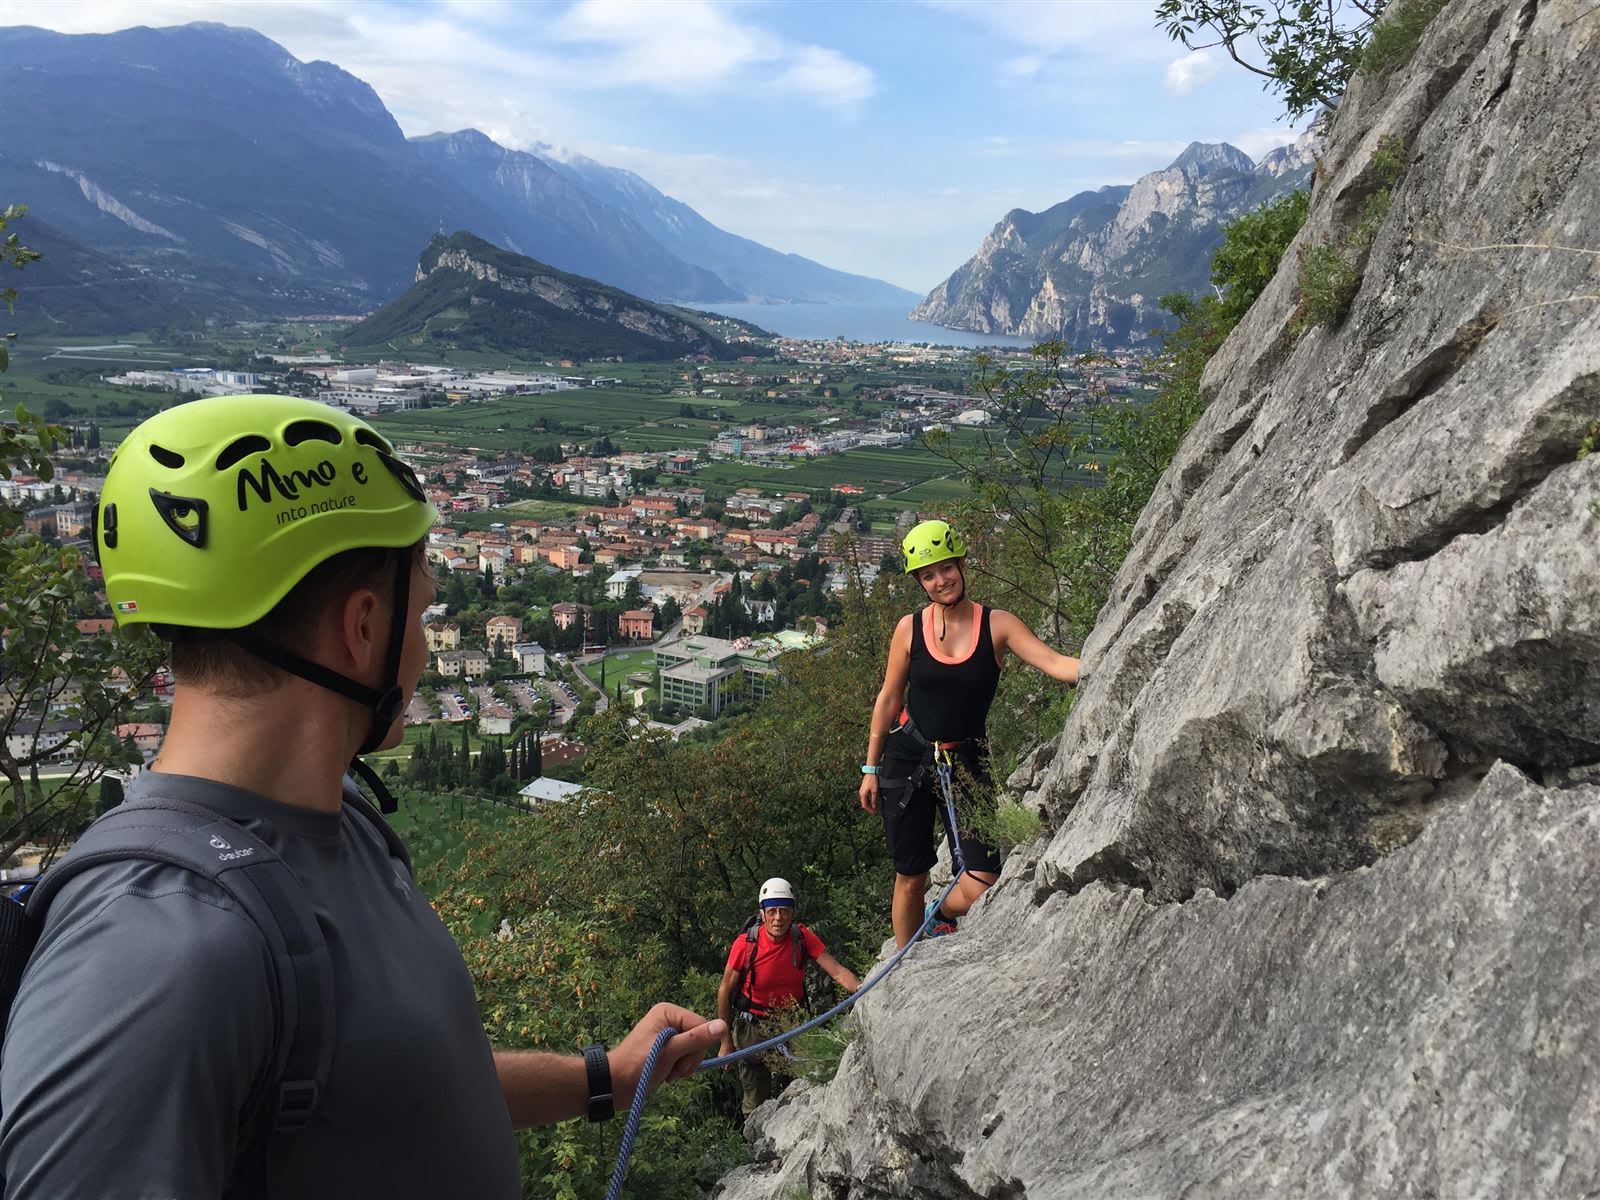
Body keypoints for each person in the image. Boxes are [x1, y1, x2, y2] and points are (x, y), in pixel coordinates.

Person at [0, 395, 723, 1199]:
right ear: (365, 627)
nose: (424, 639)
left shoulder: (338, 819)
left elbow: (388, 1084)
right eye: (425, 608)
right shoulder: (159, 955)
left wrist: (603, 1080)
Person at [858, 519, 1080, 949]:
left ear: (961, 564)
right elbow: (888, 698)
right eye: (928, 575)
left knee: (982, 879)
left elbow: (1054, 664)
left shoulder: (997, 625)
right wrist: (870, 767)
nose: (940, 580)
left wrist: (1103, 660)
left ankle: (936, 915)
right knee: (911, 874)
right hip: (908, 756)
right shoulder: (910, 628)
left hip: (967, 761)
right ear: (919, 582)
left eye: (946, 568)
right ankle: (907, 965)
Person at [716, 877, 860, 1117]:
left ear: (793, 913)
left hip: (790, 1024)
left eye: (784, 910)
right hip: (753, 1026)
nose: (778, 918)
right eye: (771, 911)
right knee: (755, 1099)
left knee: (807, 1081)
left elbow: (836, 970)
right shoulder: (746, 944)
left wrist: (862, 988)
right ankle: (758, 1146)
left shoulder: (801, 938)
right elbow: (724, 991)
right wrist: (725, 1042)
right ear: (762, 913)